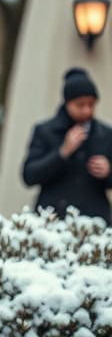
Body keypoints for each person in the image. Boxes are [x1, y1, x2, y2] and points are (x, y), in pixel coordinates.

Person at [22, 67, 112, 224]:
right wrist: (63, 152)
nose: (87, 110)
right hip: (53, 221)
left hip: (95, 223)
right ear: (67, 103)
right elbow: (29, 176)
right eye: (80, 105)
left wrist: (108, 171)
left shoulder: (105, 133)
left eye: (91, 104)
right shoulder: (45, 131)